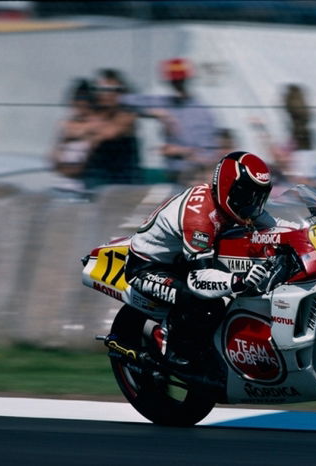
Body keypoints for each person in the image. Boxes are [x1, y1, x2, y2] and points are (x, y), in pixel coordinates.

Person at [125, 151, 274, 370]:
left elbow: (274, 226)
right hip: (148, 267)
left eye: (258, 197)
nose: (252, 205)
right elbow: (198, 280)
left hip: (181, 261)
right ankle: (167, 344)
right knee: (202, 302)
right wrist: (238, 281)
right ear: (227, 187)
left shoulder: (236, 205)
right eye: (247, 196)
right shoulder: (200, 218)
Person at [127, 58, 219, 186]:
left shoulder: (201, 113)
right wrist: (157, 114)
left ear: (188, 81)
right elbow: (127, 101)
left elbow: (209, 155)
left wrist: (181, 151)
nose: (177, 85)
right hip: (172, 175)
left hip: (194, 177)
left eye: (180, 81)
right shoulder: (165, 103)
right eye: (174, 82)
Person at [83, 69, 142, 188]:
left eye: (113, 90)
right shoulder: (93, 114)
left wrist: (90, 133)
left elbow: (110, 132)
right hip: (97, 177)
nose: (108, 94)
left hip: (124, 181)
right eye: (102, 90)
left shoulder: (128, 115)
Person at [49, 78, 95, 189]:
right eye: (76, 103)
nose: (78, 108)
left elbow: (82, 166)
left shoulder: (95, 126)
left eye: (83, 104)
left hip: (86, 186)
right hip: (62, 184)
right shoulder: (65, 125)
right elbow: (53, 160)